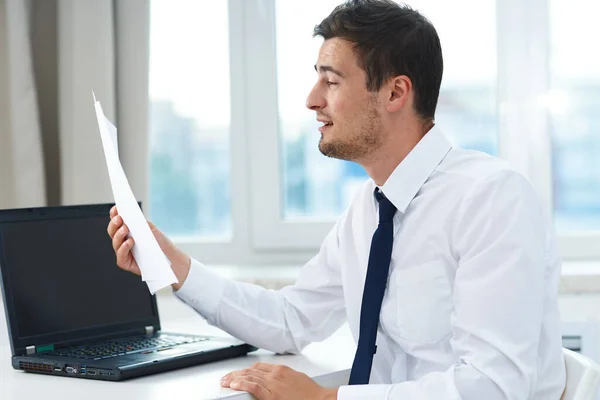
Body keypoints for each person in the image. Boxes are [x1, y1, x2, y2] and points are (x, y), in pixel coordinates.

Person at [107, 0, 566, 398]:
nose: (311, 100)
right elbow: (290, 320)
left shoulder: (491, 199)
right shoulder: (369, 209)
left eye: (331, 81)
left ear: (394, 92)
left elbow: (493, 388)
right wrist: (175, 268)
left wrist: (326, 399)